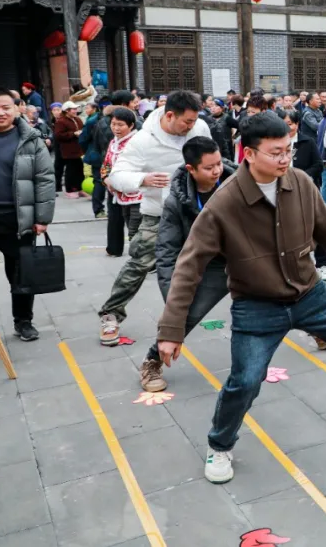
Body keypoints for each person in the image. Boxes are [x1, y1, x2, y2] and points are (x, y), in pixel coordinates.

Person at [155, 112, 326, 484]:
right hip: (257, 304)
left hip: (310, 293)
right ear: (249, 153)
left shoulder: (299, 182)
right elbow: (188, 267)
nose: (285, 159)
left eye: (288, 150)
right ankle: (219, 445)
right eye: (275, 152)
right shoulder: (225, 203)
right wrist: (172, 330)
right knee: (245, 381)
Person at [98, 91, 210, 345]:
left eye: (194, 121)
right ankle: (111, 314)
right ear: (170, 115)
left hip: (198, 211)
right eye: (187, 122)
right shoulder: (142, 141)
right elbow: (117, 175)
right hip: (158, 214)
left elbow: (212, 160)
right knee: (139, 262)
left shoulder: (200, 127)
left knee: (241, 255)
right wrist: (142, 180)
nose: (192, 126)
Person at [138, 137, 235, 391]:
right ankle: (152, 361)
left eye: (218, 164)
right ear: (191, 169)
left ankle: (320, 331)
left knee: (292, 291)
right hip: (212, 264)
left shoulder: (239, 183)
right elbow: (167, 251)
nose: (217, 171)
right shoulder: (177, 202)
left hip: (246, 256)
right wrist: (174, 303)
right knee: (186, 314)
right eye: (209, 167)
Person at [0, 87, 54, 343]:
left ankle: (23, 321)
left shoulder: (31, 140)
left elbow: (44, 179)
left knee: (21, 276)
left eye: (6, 107)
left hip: (19, 220)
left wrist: (42, 218)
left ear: (17, 108)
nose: (0, 112)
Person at [102, 108, 143, 257]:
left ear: (131, 125)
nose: (116, 128)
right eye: (113, 124)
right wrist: (106, 179)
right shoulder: (113, 142)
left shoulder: (139, 141)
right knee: (129, 225)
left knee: (135, 229)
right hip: (118, 193)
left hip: (138, 193)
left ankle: (141, 259)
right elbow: (106, 164)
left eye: (120, 125)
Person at [54, 101, 85, 199]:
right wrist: (73, 134)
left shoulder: (78, 119)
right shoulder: (61, 121)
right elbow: (58, 136)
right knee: (70, 170)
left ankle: (80, 189)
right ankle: (69, 190)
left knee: (79, 169)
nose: (76, 111)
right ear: (67, 111)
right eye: (73, 109)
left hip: (78, 148)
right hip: (68, 149)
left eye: (76, 109)